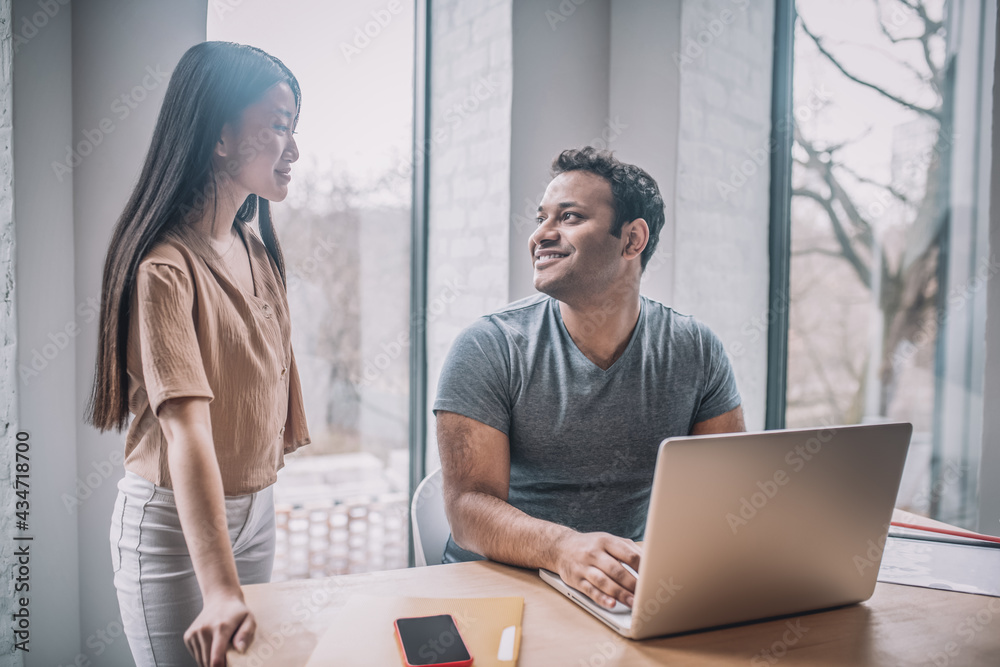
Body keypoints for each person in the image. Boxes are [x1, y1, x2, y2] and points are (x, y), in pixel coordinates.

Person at [434, 147, 745, 612]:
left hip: (620, 592)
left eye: (570, 217)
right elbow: (467, 511)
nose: (541, 235)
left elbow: (725, 491)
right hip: (496, 590)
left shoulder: (697, 349)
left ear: (632, 240)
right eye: (542, 218)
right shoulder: (487, 346)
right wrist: (564, 549)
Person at [87, 41, 310, 667]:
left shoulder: (256, 250)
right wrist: (218, 589)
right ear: (219, 137)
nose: (293, 149)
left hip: (254, 510)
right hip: (168, 530)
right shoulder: (164, 268)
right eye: (278, 125)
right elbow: (186, 433)